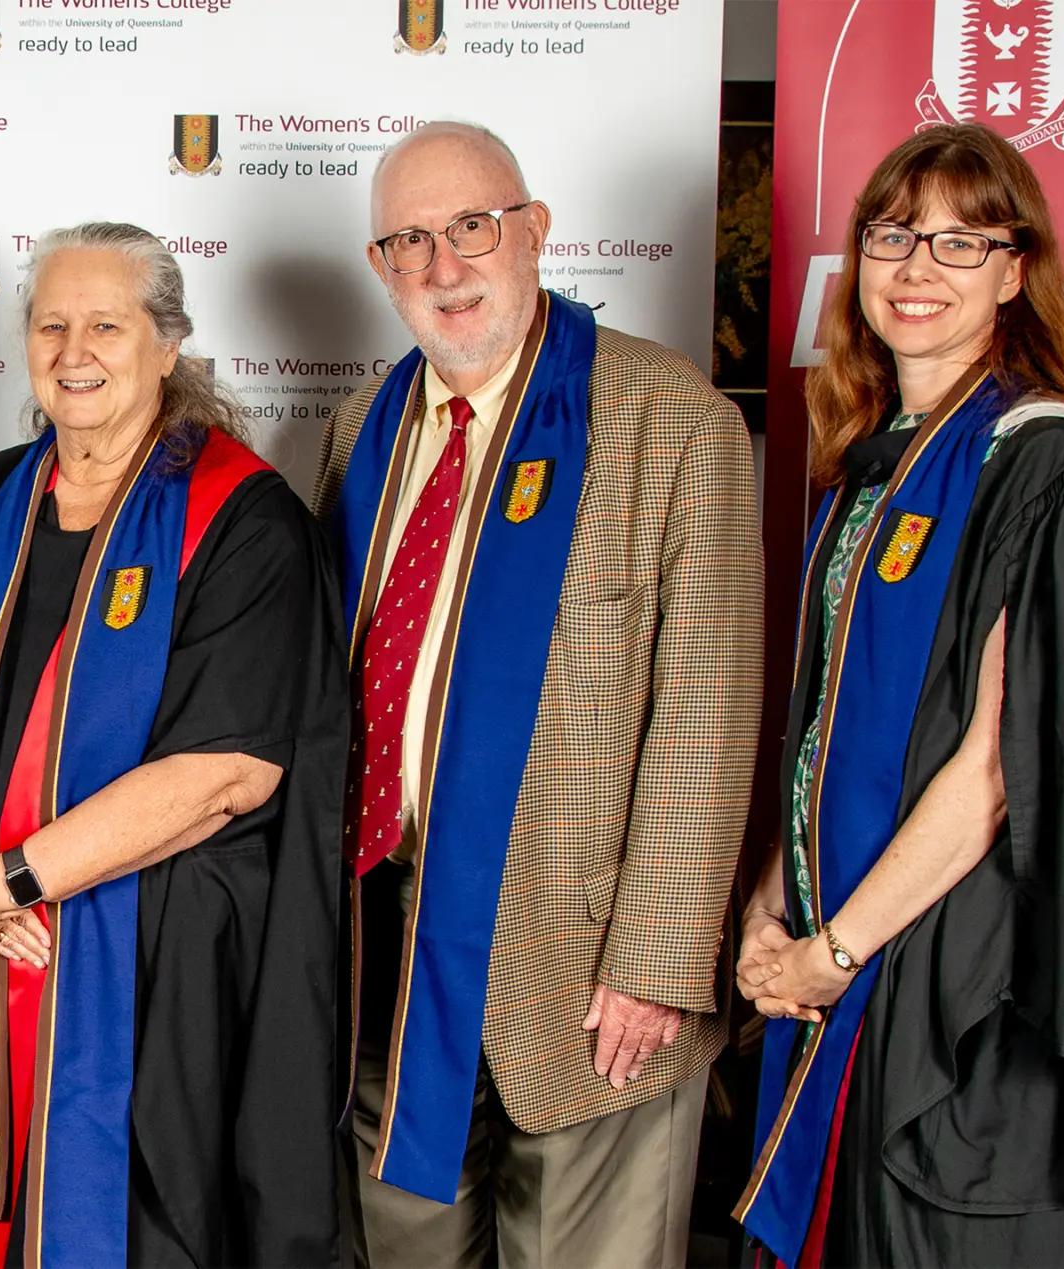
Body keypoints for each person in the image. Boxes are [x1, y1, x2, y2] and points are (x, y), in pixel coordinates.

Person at [312, 121, 761, 1268]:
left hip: (587, 976)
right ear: (379, 265)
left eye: (471, 228)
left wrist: (656, 964)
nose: (443, 266)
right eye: (409, 241)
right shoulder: (361, 430)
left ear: (534, 230)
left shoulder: (673, 420)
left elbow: (706, 713)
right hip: (389, 959)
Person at [0, 221, 349, 1268]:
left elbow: (226, 773)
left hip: (152, 980)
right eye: (51, 324)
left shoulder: (241, 521)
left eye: (105, 323)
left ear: (166, 344)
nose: (72, 350)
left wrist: (6, 885)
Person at [732, 122, 1064, 1268]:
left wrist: (834, 950)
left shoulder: (1050, 466)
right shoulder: (869, 462)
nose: (915, 270)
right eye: (895, 235)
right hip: (838, 950)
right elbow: (822, 728)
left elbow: (1000, 766)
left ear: (1016, 272)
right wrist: (770, 911)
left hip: (951, 981)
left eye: (962, 244)